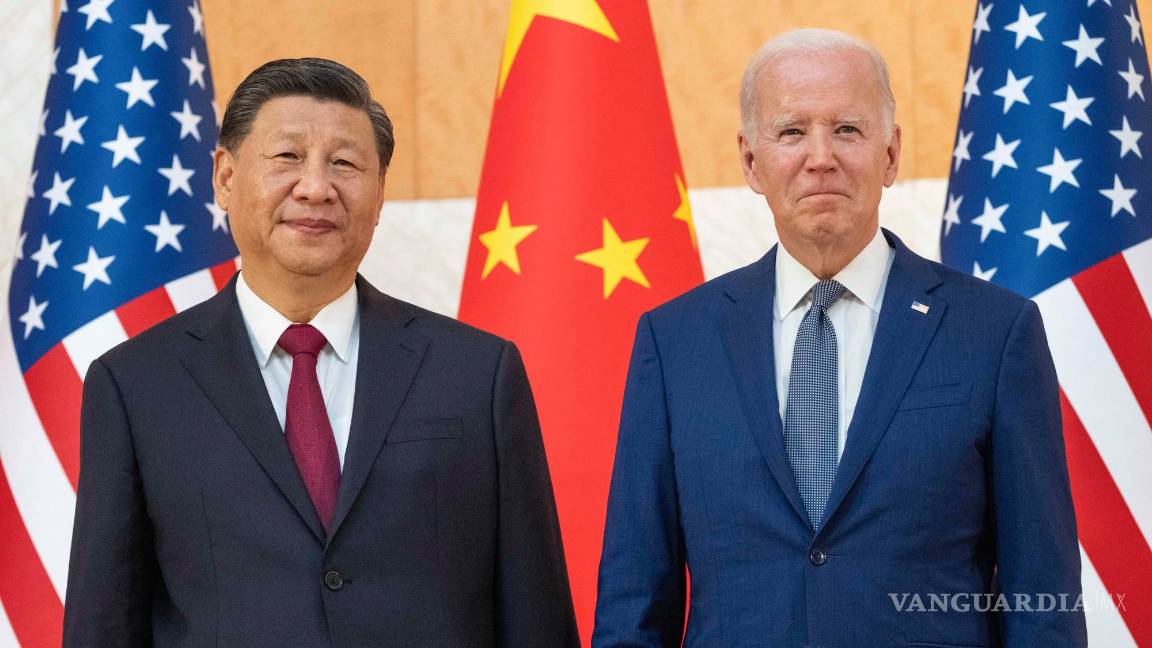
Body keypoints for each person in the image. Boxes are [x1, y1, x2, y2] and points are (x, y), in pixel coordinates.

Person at [593, 29, 1085, 647]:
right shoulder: (675, 342)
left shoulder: (995, 332)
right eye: (792, 131)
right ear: (751, 160)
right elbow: (635, 601)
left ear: (891, 154)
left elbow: (1043, 596)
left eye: (848, 129)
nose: (820, 156)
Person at [63, 58, 578, 647]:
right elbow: (104, 624)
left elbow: (536, 618)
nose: (315, 187)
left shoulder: (477, 374)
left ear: (380, 192)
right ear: (226, 178)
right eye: (287, 157)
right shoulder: (135, 386)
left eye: (345, 163)